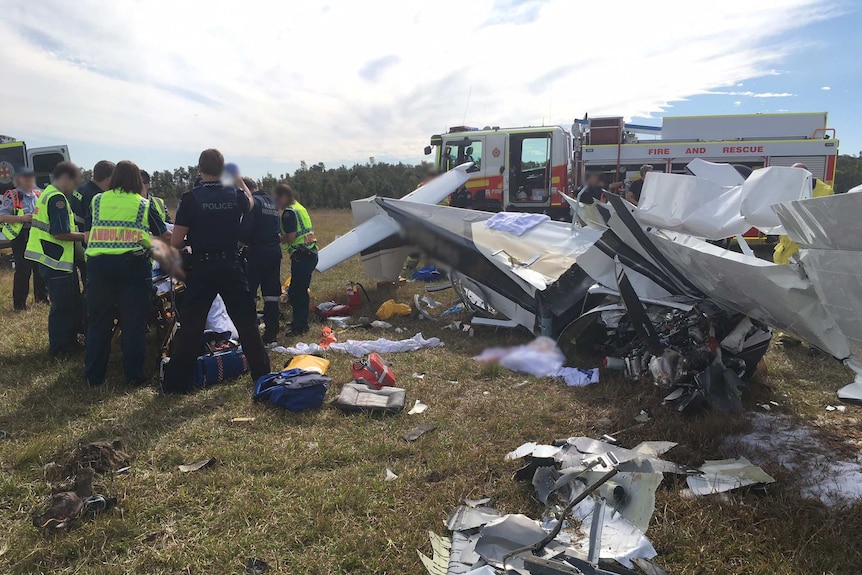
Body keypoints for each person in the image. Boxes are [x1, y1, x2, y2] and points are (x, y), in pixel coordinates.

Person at [162, 149, 270, 394]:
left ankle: (176, 384)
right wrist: (238, 178)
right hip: (231, 265)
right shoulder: (235, 194)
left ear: (200, 169)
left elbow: (177, 242)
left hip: (203, 267)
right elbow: (251, 202)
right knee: (247, 323)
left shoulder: (191, 198)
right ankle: (262, 375)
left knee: (192, 326)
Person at [82, 161, 170, 386]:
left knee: (99, 321)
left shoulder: (97, 200)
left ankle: (93, 376)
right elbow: (162, 234)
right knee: (133, 322)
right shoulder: (143, 204)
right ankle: (133, 376)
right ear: (137, 181)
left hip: (99, 265)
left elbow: (92, 229)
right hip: (132, 266)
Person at [24, 161, 85, 356]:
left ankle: (69, 343)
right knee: (62, 306)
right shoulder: (57, 198)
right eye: (75, 181)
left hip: (51, 258)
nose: (76, 186)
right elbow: (60, 233)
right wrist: (85, 235)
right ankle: (61, 349)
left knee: (67, 302)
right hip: (55, 260)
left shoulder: (47, 193)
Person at [238, 177, 282, 345]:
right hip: (274, 252)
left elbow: (245, 230)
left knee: (250, 294)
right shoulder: (272, 202)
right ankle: (272, 333)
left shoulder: (253, 202)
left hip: (256, 252)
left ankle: (252, 335)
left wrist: (238, 245)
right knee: (271, 295)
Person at [0, 167, 48, 310]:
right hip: (21, 236)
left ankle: (41, 298)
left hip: (36, 233)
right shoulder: (12, 195)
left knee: (39, 267)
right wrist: (22, 218)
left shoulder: (38, 195)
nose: (30, 181)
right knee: (23, 269)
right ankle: (19, 304)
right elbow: (2, 216)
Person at [275, 183, 317, 336]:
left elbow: (291, 236)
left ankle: (300, 326)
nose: (277, 204)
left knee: (297, 292)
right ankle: (299, 321)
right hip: (310, 252)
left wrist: (275, 240)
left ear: (284, 197)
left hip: (302, 255)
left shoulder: (289, 213)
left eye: (278, 199)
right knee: (297, 290)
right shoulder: (300, 208)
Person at [773, 163, 834, 265]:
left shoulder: (825, 191)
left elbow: (829, 220)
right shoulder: (788, 189)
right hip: (786, 247)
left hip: (809, 249)